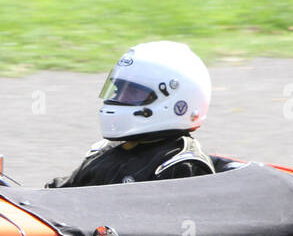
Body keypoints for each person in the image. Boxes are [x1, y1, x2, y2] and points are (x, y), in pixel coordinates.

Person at [48, 40, 215, 188]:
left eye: (132, 93)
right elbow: (63, 194)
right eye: (118, 91)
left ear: (177, 101)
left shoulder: (181, 166)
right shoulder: (105, 151)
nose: (118, 98)